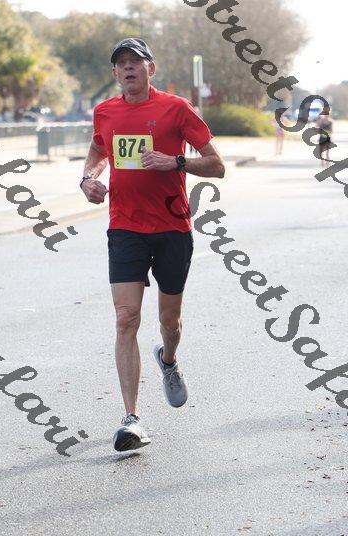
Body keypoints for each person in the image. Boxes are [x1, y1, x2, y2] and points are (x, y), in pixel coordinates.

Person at [80, 37, 225, 452]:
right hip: (125, 228)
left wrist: (175, 161)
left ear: (150, 69)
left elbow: (217, 165)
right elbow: (98, 149)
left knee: (169, 321)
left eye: (136, 61)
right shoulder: (105, 111)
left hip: (172, 228)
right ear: (114, 73)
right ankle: (132, 419)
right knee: (126, 318)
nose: (128, 68)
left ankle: (169, 359)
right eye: (121, 63)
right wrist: (89, 178)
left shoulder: (177, 109)